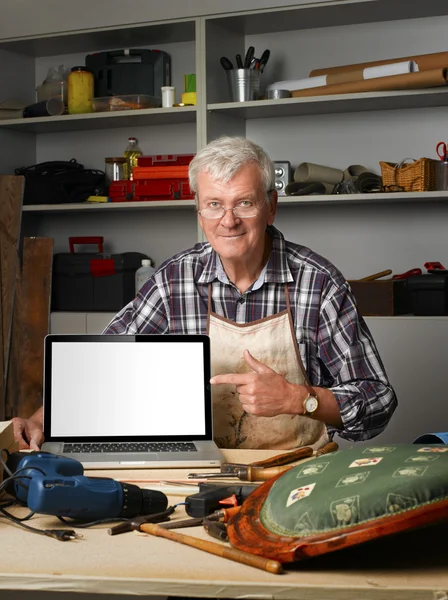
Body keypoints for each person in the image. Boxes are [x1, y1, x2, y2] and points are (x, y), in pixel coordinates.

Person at [13, 136, 397, 450]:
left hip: (296, 473)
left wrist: (299, 399)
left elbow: (378, 399)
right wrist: (38, 421)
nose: (228, 221)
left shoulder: (318, 283)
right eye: (214, 205)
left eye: (243, 203)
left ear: (271, 207)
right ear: (199, 212)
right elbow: (102, 369)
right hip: (198, 471)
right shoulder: (175, 280)